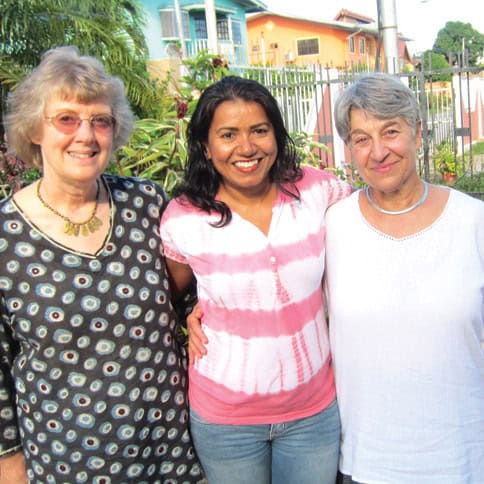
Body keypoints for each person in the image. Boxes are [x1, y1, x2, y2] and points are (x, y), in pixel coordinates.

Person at [0, 46, 204, 483]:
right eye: (67, 119)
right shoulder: (5, 237)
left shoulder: (146, 204)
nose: (86, 135)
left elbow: (187, 290)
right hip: (66, 461)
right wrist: (8, 464)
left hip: (168, 454)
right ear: (35, 128)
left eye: (100, 121)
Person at [159, 75, 350, 484]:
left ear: (277, 136)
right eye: (228, 134)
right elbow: (173, 295)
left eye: (259, 131)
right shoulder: (184, 217)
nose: (246, 148)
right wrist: (191, 315)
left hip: (312, 414)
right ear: (207, 148)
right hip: (225, 421)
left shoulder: (320, 191)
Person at [326, 73, 484, 483]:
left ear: (417, 131)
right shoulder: (332, 226)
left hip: (463, 460)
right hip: (365, 463)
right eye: (361, 139)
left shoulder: (473, 222)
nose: (378, 152)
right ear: (349, 149)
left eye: (390, 131)